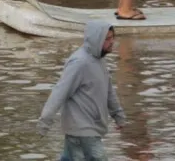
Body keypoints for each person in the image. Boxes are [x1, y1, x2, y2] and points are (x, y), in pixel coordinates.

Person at [37, 20, 125, 161]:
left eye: (112, 37)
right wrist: (45, 121)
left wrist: (118, 115)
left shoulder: (100, 61)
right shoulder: (79, 63)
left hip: (89, 128)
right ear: (96, 39)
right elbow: (60, 92)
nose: (112, 41)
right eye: (107, 39)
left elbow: (109, 92)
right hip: (82, 128)